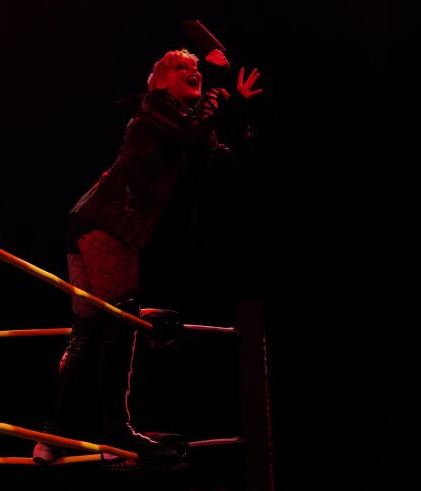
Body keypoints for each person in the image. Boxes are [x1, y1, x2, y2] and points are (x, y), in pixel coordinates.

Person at [32, 46, 263, 464]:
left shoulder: (187, 125)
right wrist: (216, 85)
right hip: (108, 221)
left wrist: (238, 108)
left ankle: (50, 438)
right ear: (159, 81)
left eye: (195, 67)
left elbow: (222, 162)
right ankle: (115, 433)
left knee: (89, 333)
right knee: (121, 320)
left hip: (94, 220)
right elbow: (192, 134)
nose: (192, 71)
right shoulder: (155, 106)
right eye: (181, 67)